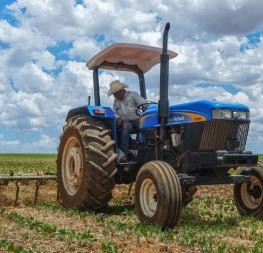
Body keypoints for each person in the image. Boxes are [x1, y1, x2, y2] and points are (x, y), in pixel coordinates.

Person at [107, 80, 146, 162]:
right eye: (113, 94)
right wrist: (118, 118)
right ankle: (125, 153)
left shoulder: (133, 95)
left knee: (144, 128)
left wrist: (146, 114)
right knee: (125, 128)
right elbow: (114, 112)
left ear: (121, 91)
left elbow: (144, 104)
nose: (114, 96)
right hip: (126, 121)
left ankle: (143, 148)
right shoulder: (116, 101)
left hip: (137, 119)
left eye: (115, 93)